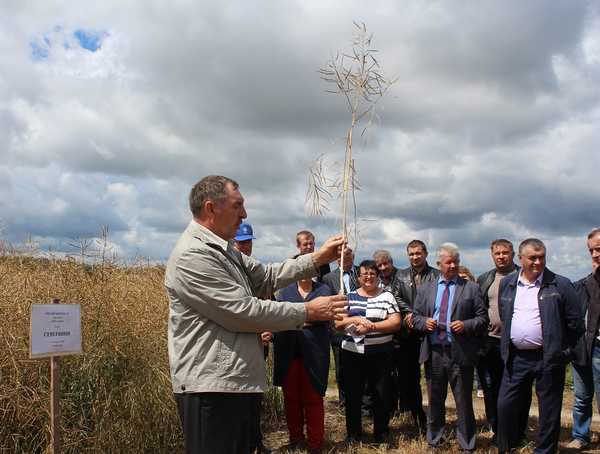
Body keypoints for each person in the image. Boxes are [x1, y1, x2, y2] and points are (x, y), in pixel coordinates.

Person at [164, 175, 347, 454]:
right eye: (237, 205)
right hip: (211, 390)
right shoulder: (193, 255)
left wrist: (318, 259)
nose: (244, 214)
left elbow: (267, 277)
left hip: (232, 383)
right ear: (211, 208)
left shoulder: (224, 250)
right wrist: (308, 311)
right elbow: (242, 311)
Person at [496, 238, 584, 454]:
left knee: (549, 410)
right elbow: (505, 316)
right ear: (520, 259)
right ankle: (506, 446)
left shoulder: (560, 284)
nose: (538, 262)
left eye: (541, 257)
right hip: (516, 357)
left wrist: (564, 352)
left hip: (548, 358)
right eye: (532, 258)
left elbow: (575, 324)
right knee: (505, 405)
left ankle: (544, 450)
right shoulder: (507, 284)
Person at [411, 243, 488, 453]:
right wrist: (424, 322)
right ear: (439, 264)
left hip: (460, 353)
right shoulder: (426, 288)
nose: (453, 266)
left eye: (456, 262)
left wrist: (466, 325)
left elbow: (482, 319)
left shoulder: (470, 288)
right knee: (435, 400)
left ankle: (467, 444)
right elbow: (415, 317)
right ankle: (435, 441)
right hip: (434, 352)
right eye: (449, 262)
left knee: (463, 402)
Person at [334, 260, 402, 444]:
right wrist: (355, 320)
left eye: (372, 274)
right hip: (352, 353)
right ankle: (353, 434)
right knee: (353, 394)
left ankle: (381, 432)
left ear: (378, 276)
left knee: (381, 393)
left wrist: (371, 327)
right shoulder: (349, 297)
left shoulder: (387, 296)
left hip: (380, 353)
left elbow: (396, 322)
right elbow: (338, 323)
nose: (368, 277)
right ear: (359, 277)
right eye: (364, 274)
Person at [273, 278, 332, 454]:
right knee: (291, 400)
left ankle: (315, 444)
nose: (305, 273)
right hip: (288, 353)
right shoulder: (284, 292)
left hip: (314, 353)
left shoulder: (324, 290)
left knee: (314, 398)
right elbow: (277, 317)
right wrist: (309, 317)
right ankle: (296, 440)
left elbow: (326, 316)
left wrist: (292, 320)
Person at [391, 240, 440, 431]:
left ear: (426, 254)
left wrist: (421, 317)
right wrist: (412, 314)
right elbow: (395, 296)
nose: (415, 257)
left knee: (433, 378)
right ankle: (418, 416)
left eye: (418, 253)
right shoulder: (400, 275)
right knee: (410, 379)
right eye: (411, 254)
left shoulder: (436, 275)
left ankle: (436, 419)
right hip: (409, 333)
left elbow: (440, 300)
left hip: (430, 332)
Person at [475, 239, 520, 441]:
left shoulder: (523, 276)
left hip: (515, 342)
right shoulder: (485, 278)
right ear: (492, 255)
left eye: (505, 253)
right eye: (497, 253)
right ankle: (497, 429)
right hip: (490, 342)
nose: (501, 256)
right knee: (491, 388)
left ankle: (516, 430)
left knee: (515, 388)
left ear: (513, 254)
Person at [567, 228, 600, 450]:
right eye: (591, 251)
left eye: (599, 249)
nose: (595, 255)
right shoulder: (583, 284)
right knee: (581, 397)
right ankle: (580, 436)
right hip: (582, 348)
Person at [322, 247, 359, 407]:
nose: (344, 259)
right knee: (341, 367)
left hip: (360, 327)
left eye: (347, 256)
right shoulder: (328, 278)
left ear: (353, 257)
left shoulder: (361, 273)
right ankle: (344, 401)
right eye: (340, 256)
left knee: (360, 365)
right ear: (336, 259)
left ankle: (363, 401)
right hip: (338, 329)